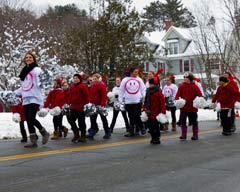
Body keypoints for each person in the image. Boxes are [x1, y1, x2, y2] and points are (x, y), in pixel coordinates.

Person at [15, 52, 49, 148]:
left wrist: (44, 83)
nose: (28, 59)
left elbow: (42, 80)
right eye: (26, 57)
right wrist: (14, 93)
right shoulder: (23, 71)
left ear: (33, 59)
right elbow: (24, 87)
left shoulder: (36, 70)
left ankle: (44, 132)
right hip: (26, 98)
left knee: (31, 118)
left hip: (34, 97)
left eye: (30, 57)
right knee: (28, 120)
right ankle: (33, 140)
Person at [119, 67, 146, 137]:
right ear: (131, 72)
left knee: (136, 115)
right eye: (135, 72)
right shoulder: (125, 80)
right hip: (128, 102)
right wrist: (120, 100)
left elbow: (143, 89)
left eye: (137, 72)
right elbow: (121, 90)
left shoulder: (139, 79)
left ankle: (142, 127)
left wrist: (144, 96)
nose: (137, 73)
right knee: (130, 116)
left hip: (137, 101)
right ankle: (131, 131)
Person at [175, 72, 202, 141]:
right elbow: (177, 95)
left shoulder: (194, 86)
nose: (185, 79)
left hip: (192, 107)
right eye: (184, 78)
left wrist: (198, 101)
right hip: (184, 107)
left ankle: (195, 135)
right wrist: (178, 101)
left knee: (194, 121)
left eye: (186, 78)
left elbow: (200, 95)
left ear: (189, 79)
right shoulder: (181, 86)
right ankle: (183, 135)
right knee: (183, 121)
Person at [87, 73, 111, 139]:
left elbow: (104, 96)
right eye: (93, 79)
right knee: (92, 119)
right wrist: (90, 104)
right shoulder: (91, 86)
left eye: (96, 79)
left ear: (98, 79)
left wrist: (102, 105)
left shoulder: (102, 85)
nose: (94, 80)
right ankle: (92, 132)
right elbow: (90, 95)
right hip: (93, 105)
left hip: (100, 105)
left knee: (103, 119)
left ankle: (107, 132)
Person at [144, 77, 166, 144]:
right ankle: (153, 137)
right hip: (149, 112)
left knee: (155, 126)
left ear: (155, 84)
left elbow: (162, 102)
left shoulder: (158, 92)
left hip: (156, 112)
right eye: (150, 84)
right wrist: (144, 108)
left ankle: (157, 138)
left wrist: (163, 111)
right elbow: (146, 101)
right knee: (150, 126)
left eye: (151, 84)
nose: (150, 85)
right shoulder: (148, 91)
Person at [68, 74, 90, 142]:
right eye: (74, 78)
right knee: (70, 119)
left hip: (81, 107)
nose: (75, 79)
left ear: (80, 79)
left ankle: (83, 136)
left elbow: (87, 96)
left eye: (77, 78)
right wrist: (69, 103)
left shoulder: (82, 86)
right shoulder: (72, 87)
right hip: (73, 106)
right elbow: (70, 96)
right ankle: (76, 133)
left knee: (81, 122)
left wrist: (87, 105)